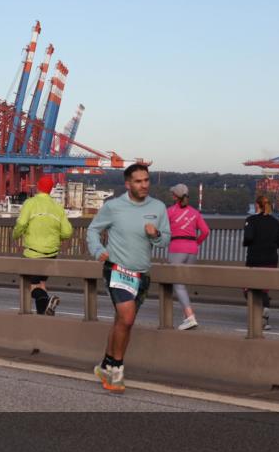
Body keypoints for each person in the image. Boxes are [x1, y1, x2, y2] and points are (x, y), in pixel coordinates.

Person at [88, 163, 171, 394]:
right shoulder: (114, 207)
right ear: (128, 184)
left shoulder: (158, 207)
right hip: (116, 269)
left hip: (141, 273)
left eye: (146, 180)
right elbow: (93, 230)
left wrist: (155, 234)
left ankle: (105, 365)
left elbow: (165, 241)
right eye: (138, 181)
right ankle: (116, 370)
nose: (144, 185)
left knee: (121, 322)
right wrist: (97, 250)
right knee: (127, 318)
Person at [12, 175, 73, 315]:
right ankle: (43, 314)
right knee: (42, 284)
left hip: (33, 253)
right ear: (51, 190)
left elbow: (21, 224)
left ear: (38, 187)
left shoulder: (30, 203)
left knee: (32, 286)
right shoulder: (57, 207)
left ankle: (47, 300)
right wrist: (58, 237)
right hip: (51, 254)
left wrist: (15, 235)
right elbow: (67, 232)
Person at [166, 184, 210, 330]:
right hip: (192, 250)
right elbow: (205, 231)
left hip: (177, 248)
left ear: (174, 196)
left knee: (177, 284)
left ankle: (190, 316)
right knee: (183, 283)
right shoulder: (195, 212)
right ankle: (186, 316)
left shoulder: (170, 212)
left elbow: (162, 230)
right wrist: (196, 243)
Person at [243, 195, 279, 331]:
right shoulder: (275, 222)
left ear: (257, 205)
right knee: (264, 289)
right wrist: (271, 246)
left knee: (248, 287)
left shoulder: (251, 220)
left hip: (255, 259)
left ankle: (257, 314)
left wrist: (247, 243)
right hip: (271, 258)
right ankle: (265, 316)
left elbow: (248, 237)